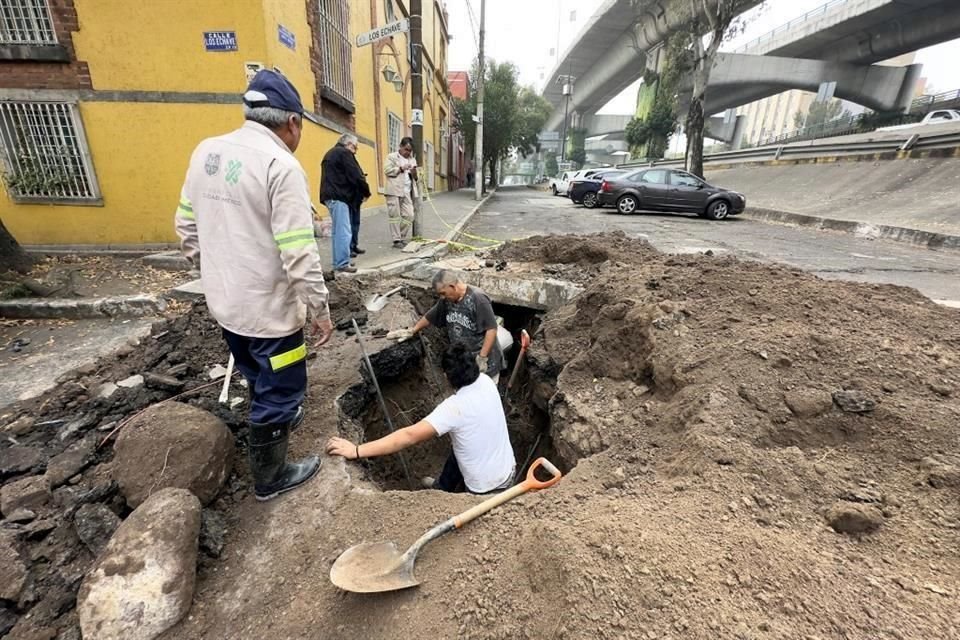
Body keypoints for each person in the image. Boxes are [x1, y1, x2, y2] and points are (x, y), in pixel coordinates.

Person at [175, 69, 333, 501]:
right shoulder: (280, 165)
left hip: (227, 305)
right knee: (282, 384)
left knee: (251, 368)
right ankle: (271, 476)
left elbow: (186, 228)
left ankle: (275, 420)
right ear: (292, 122)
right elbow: (298, 251)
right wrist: (319, 310)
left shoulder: (206, 152)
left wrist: (216, 272)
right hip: (271, 313)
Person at [325, 343, 516, 494]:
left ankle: (446, 498)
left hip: (486, 489)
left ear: (445, 376)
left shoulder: (454, 408)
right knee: (459, 448)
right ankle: (443, 487)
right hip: (509, 470)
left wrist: (356, 450)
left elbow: (408, 435)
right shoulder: (486, 381)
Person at [394, 269, 504, 382]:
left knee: (484, 395)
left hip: (485, 363)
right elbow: (431, 315)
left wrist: (482, 358)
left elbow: (491, 329)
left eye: (443, 293)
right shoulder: (447, 300)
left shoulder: (478, 298)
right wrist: (413, 330)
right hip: (464, 363)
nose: (442, 297)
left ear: (452, 286)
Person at [320, 133, 369, 273]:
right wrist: (366, 192)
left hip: (330, 196)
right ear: (349, 144)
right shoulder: (344, 153)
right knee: (344, 231)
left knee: (338, 231)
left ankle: (340, 261)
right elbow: (356, 175)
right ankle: (342, 263)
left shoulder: (331, 153)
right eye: (355, 147)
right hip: (339, 196)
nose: (355, 151)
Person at [384, 136, 417, 249]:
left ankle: (402, 237)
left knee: (409, 215)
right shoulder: (392, 157)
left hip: (406, 191)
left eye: (410, 150)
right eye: (406, 149)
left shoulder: (412, 159)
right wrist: (401, 168)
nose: (408, 152)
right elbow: (387, 171)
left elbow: (416, 177)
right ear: (401, 147)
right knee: (394, 216)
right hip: (394, 190)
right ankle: (396, 240)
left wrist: (414, 172)